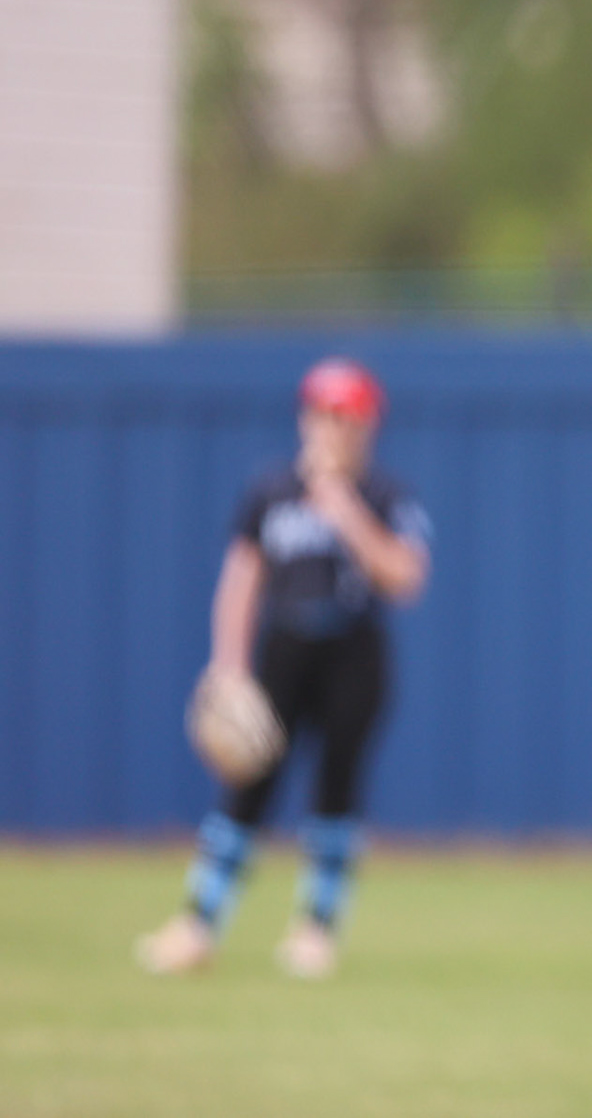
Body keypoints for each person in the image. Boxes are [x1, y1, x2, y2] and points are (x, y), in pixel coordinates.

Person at [136, 357, 431, 979]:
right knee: (247, 785)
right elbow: (242, 578)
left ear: (368, 426)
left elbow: (406, 576)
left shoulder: (384, 494)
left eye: (347, 417)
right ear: (306, 418)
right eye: (324, 414)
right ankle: (198, 924)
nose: (334, 428)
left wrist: (344, 510)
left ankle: (316, 931)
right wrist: (228, 664)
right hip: (285, 649)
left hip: (354, 651)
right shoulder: (272, 490)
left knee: (336, 788)